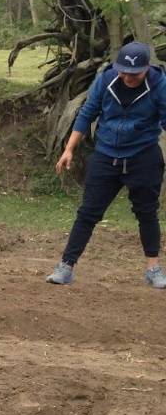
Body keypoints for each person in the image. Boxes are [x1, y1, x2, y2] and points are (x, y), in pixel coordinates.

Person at [46, 42, 166, 287]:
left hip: (143, 155)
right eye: (123, 71)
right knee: (88, 212)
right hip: (106, 154)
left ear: (146, 69)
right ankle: (66, 266)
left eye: (135, 73)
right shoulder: (106, 79)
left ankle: (153, 269)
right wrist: (69, 149)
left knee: (146, 213)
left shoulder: (159, 85)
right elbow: (88, 112)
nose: (128, 77)